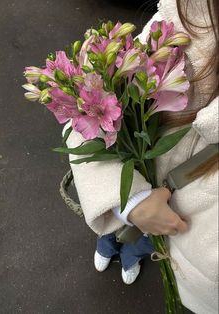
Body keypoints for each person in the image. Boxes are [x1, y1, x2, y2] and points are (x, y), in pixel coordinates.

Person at [64, 0, 218, 313]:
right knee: (114, 233)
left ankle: (130, 258)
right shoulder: (188, 18)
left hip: (177, 231)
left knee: (143, 245)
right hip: (129, 195)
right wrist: (128, 203)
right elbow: (84, 115)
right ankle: (109, 245)